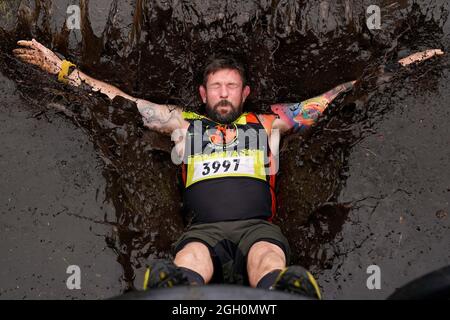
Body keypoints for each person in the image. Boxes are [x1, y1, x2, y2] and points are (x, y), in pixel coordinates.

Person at [13, 39, 444, 299]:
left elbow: (337, 97)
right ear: (203, 93)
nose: (224, 93)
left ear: (245, 92)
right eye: (216, 86)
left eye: (231, 86)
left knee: (268, 257)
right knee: (191, 259)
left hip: (258, 227)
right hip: (203, 232)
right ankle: (173, 288)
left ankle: (284, 291)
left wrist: (401, 68)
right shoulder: (183, 123)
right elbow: (117, 98)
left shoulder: (268, 122)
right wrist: (61, 68)